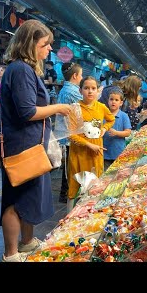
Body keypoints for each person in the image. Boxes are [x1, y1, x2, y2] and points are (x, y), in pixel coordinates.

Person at [0, 19, 72, 262]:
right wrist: (58, 107)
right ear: (30, 44)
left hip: (30, 143)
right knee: (15, 198)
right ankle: (11, 254)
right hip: (21, 145)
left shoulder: (25, 69)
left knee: (29, 197)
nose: (49, 49)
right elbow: (27, 111)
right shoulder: (20, 70)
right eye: (45, 44)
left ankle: (27, 242)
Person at [67, 76, 115, 212]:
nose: (90, 91)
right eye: (86, 88)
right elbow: (71, 134)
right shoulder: (75, 108)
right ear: (80, 90)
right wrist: (89, 145)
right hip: (78, 155)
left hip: (96, 154)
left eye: (93, 88)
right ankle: (68, 219)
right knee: (75, 186)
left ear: (97, 91)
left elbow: (111, 120)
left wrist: (105, 128)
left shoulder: (101, 107)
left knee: (94, 186)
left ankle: (90, 215)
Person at [55, 62, 83, 204]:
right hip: (69, 134)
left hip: (66, 133)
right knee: (70, 165)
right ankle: (66, 194)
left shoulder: (65, 89)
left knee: (68, 165)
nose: (81, 77)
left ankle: (64, 193)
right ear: (75, 75)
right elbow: (85, 105)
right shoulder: (72, 92)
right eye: (81, 75)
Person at [102, 90, 132, 171]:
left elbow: (128, 132)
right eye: (111, 99)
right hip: (104, 154)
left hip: (118, 153)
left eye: (116, 100)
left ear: (121, 103)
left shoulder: (124, 116)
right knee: (105, 176)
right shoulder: (103, 115)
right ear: (108, 101)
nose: (113, 102)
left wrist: (116, 133)